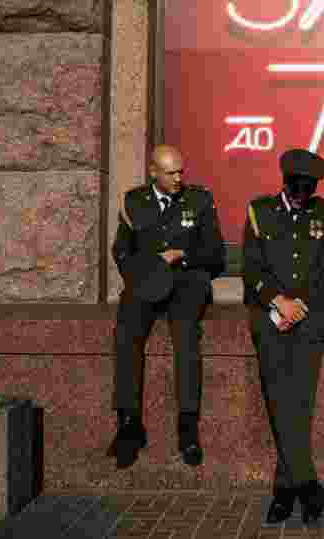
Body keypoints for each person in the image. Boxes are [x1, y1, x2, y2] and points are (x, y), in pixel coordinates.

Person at [109, 144, 226, 469]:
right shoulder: (135, 202)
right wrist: (148, 267)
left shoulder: (199, 200)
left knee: (185, 337)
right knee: (126, 335)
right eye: (171, 172)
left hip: (186, 282)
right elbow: (121, 252)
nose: (178, 178)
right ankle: (128, 424)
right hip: (147, 280)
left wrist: (182, 256)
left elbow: (216, 256)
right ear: (153, 172)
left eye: (181, 171)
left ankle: (187, 426)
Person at [242, 149, 324, 526]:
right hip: (269, 321)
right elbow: (250, 268)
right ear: (285, 183)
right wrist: (277, 302)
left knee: (298, 405)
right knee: (278, 402)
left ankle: (286, 491)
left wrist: (297, 305)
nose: (303, 196)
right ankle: (305, 485)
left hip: (310, 320)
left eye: (309, 189)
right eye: (298, 189)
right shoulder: (260, 211)